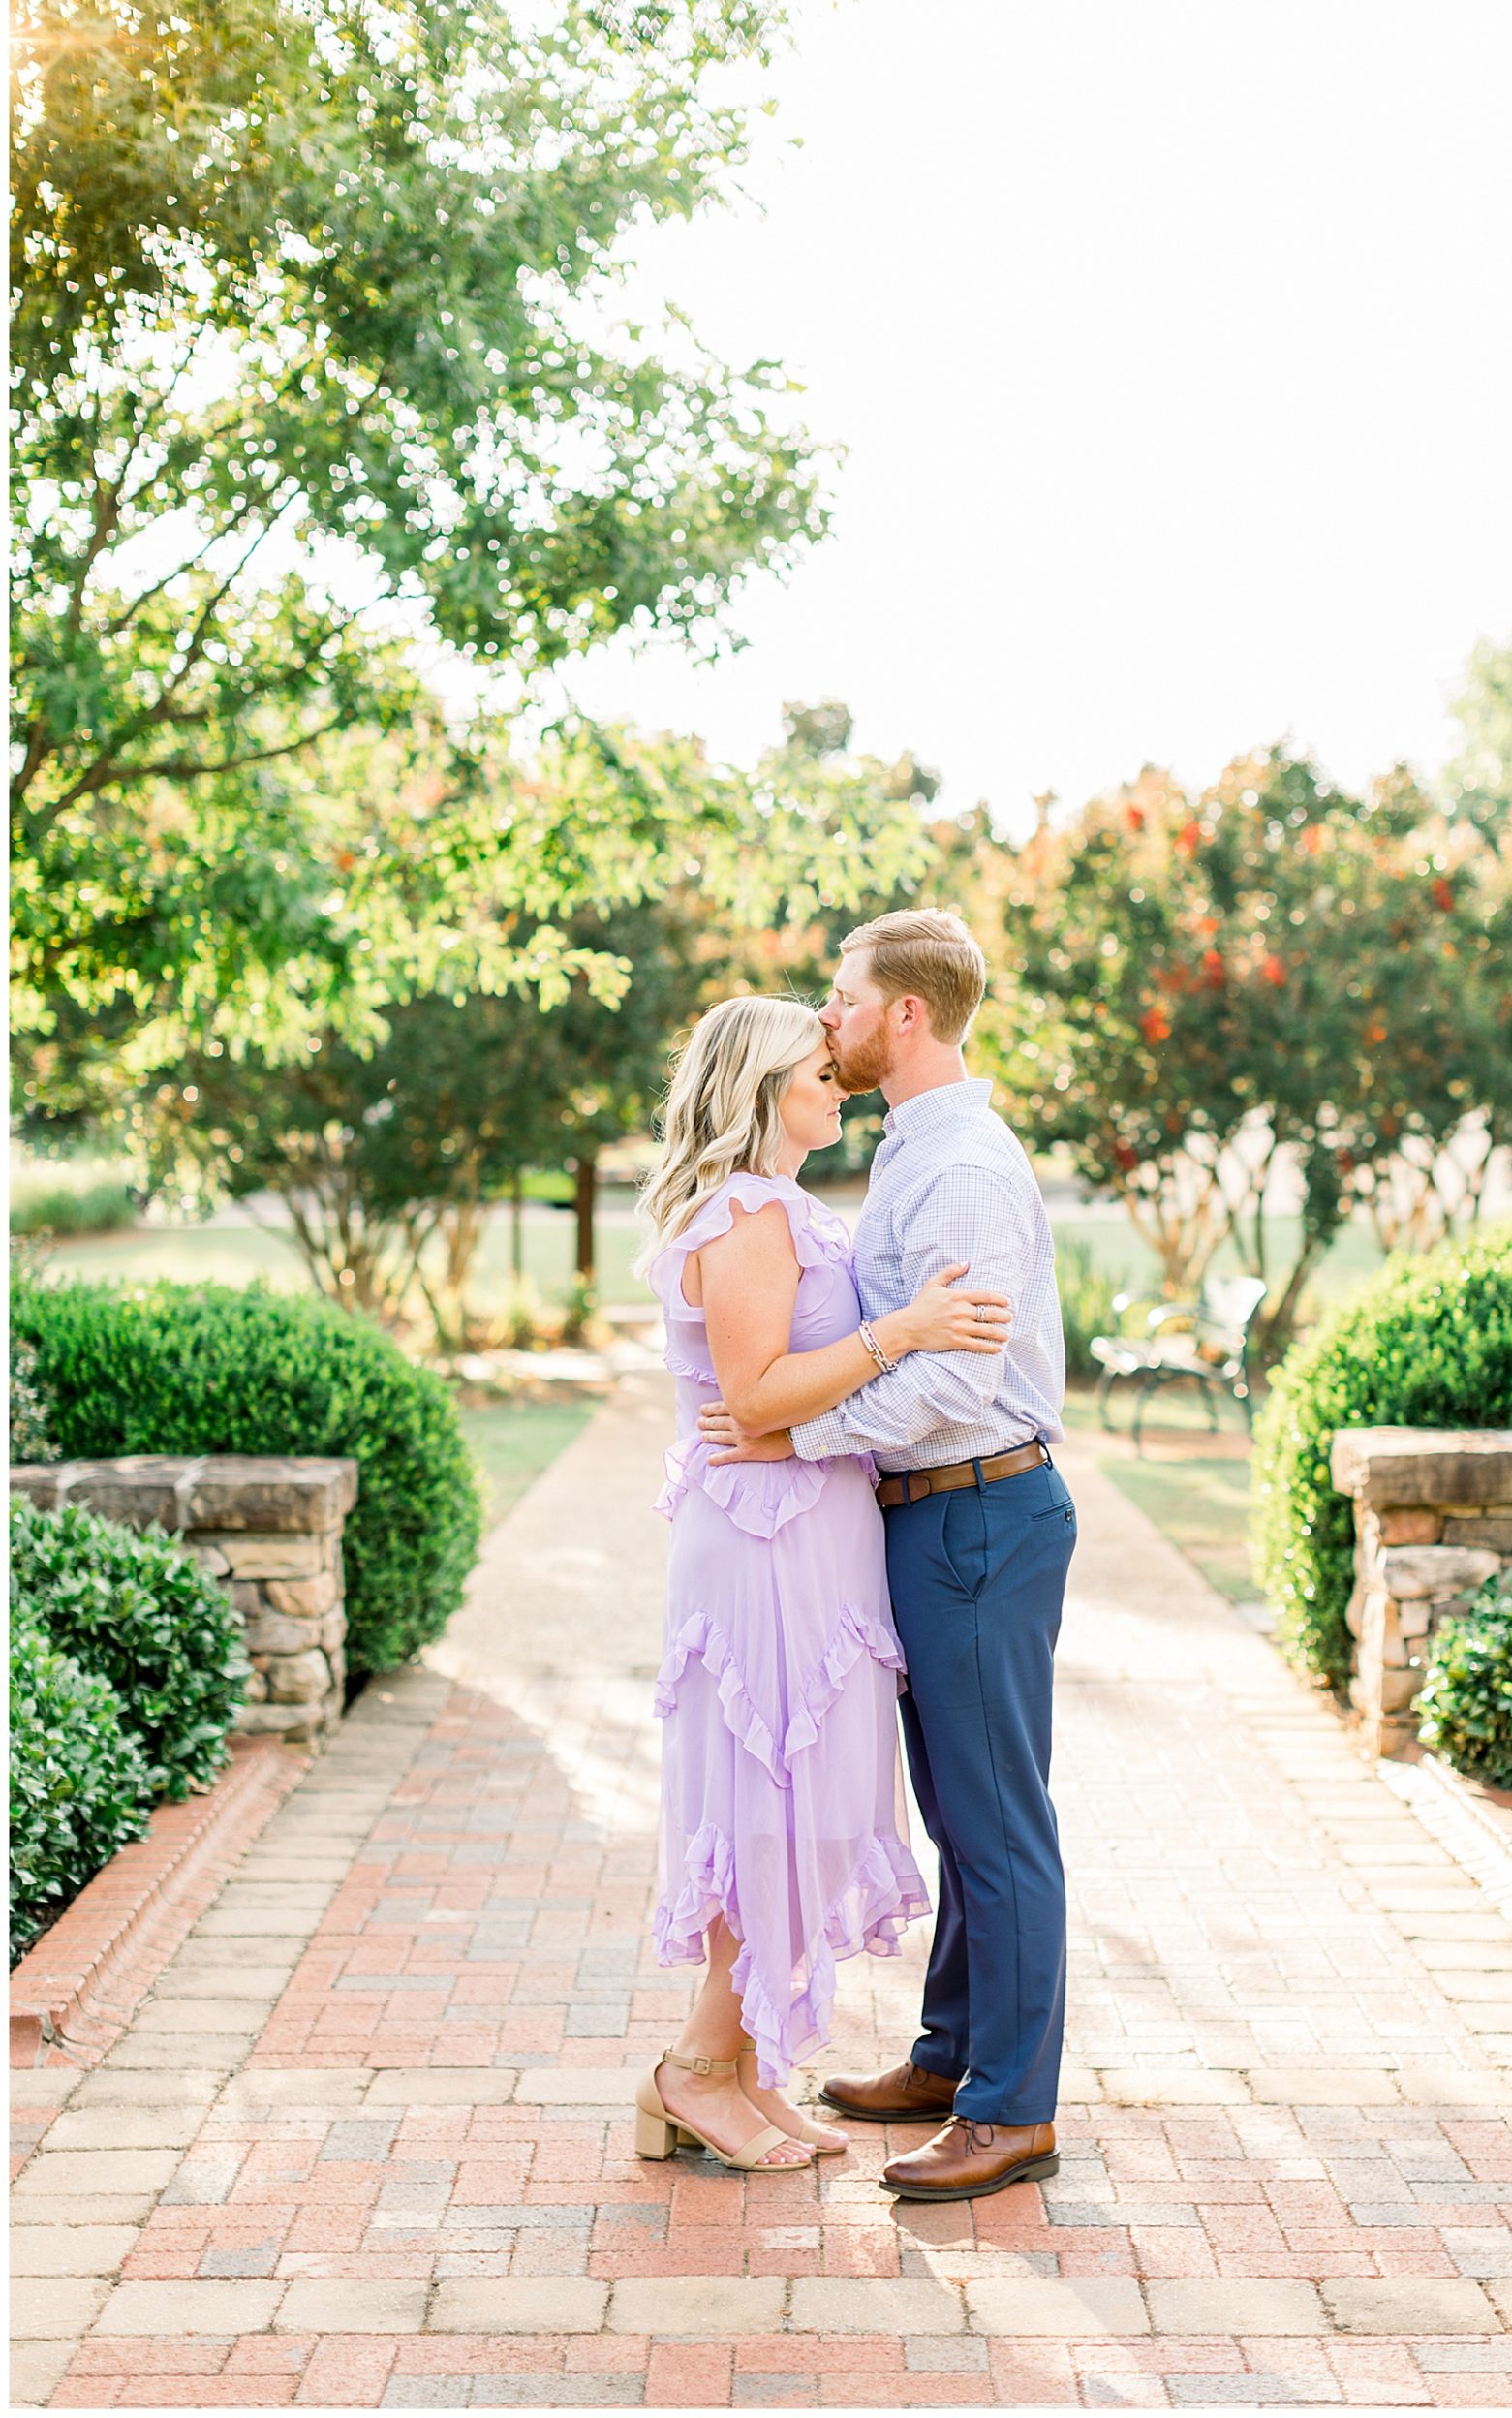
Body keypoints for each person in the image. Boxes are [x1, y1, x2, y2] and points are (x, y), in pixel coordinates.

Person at [698, 909, 1075, 2204]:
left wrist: (798, 1435)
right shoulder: (914, 1148)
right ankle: (953, 2054)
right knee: (964, 1809)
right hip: (938, 1510)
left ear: (901, 1015)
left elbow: (954, 1381)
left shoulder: (957, 1164)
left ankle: (1009, 2109)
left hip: (977, 1503)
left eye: (843, 997)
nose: (828, 1017)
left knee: (995, 1819)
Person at [633, 992, 1014, 2173]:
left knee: (803, 1797)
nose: (834, 1080)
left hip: (813, 1533)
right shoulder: (747, 1212)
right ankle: (695, 2070)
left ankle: (744, 2068)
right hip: (762, 1545)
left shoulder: (791, 1207)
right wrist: (905, 1330)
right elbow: (755, 1397)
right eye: (813, 1069)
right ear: (759, 1091)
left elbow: (787, 1395)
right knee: (765, 1791)